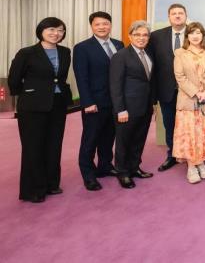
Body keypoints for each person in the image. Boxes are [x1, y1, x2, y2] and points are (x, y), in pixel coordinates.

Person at [9, 17, 73, 203]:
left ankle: (52, 184)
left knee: (54, 145)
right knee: (33, 147)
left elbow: (59, 77)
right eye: (51, 29)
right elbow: (14, 80)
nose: (56, 33)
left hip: (58, 104)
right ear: (41, 31)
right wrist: (31, 93)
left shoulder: (65, 52)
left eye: (60, 30)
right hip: (32, 106)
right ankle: (33, 190)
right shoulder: (27, 53)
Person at [73, 11, 124, 191]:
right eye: (98, 24)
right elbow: (81, 77)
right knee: (90, 139)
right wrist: (87, 102)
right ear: (92, 26)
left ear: (110, 25)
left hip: (115, 102)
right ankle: (88, 175)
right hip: (94, 102)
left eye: (105, 23)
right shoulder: (82, 48)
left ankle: (105, 166)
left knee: (109, 136)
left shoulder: (119, 44)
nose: (102, 27)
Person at [173, 22, 205, 184]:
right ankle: (191, 167)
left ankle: (200, 162)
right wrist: (196, 92)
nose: (195, 36)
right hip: (188, 100)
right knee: (190, 134)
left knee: (203, 133)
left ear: (203, 35)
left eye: (198, 33)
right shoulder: (180, 53)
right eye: (191, 33)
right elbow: (180, 77)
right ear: (187, 36)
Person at [110, 20, 155, 189]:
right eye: (137, 35)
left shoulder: (148, 54)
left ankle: (135, 167)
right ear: (130, 36)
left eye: (145, 35)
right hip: (127, 109)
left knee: (138, 140)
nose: (141, 38)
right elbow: (115, 85)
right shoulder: (120, 56)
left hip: (145, 107)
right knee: (124, 141)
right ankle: (123, 172)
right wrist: (120, 109)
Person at [147, 3, 187, 172]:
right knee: (170, 124)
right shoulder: (156, 36)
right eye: (173, 13)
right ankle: (172, 154)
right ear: (169, 17)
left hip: (190, 92)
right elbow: (151, 66)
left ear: (186, 16)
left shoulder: (197, 34)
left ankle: (191, 153)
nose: (177, 16)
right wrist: (153, 96)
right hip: (166, 91)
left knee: (190, 125)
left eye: (180, 13)